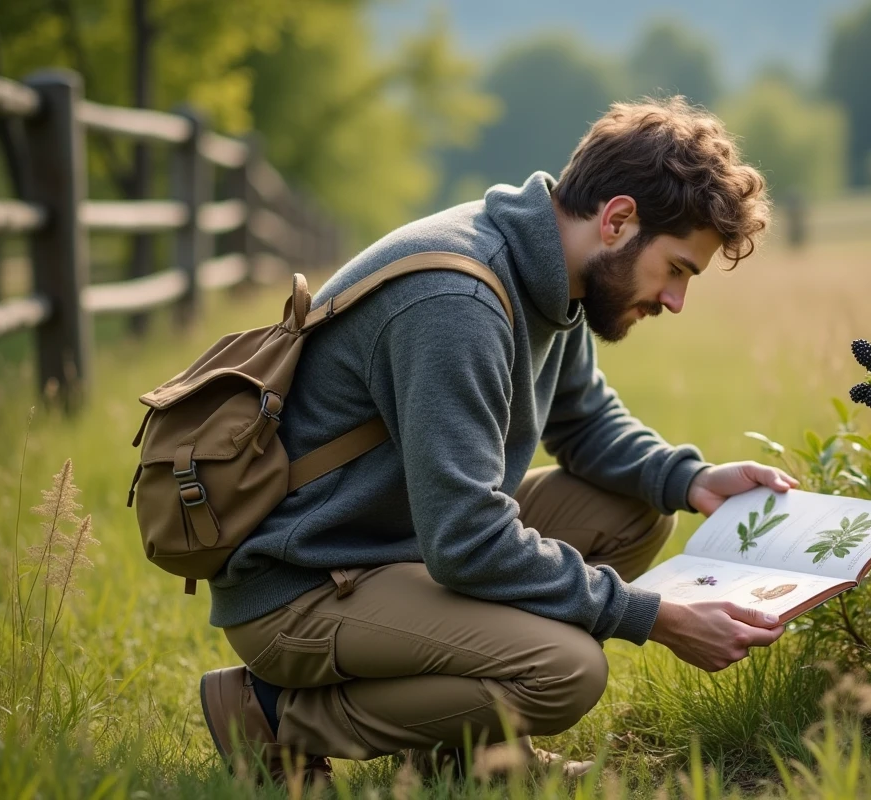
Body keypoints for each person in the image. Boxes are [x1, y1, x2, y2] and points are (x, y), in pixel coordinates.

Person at [198, 96, 797, 785]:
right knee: (566, 670)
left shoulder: (549, 270)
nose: (675, 301)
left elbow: (583, 420)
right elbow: (467, 541)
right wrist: (653, 616)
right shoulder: (457, 301)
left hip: (398, 547)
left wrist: (690, 479)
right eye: (678, 270)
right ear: (618, 220)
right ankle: (272, 716)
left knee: (634, 511)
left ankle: (460, 756)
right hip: (305, 580)